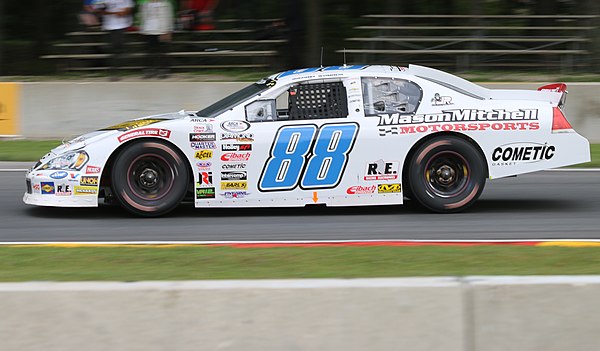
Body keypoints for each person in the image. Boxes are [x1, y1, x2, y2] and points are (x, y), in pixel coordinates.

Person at [95, 0, 135, 81]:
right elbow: (98, 10)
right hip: (109, 26)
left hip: (122, 25)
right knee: (113, 48)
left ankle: (116, 69)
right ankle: (114, 71)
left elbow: (129, 9)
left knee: (117, 46)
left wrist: (124, 12)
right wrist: (113, 13)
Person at [140, 0, 174, 78]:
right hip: (149, 30)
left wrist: (168, 31)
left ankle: (163, 70)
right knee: (149, 51)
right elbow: (143, 17)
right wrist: (142, 30)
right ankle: (149, 70)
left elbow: (169, 18)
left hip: (161, 30)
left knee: (162, 52)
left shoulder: (165, 4)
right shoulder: (145, 4)